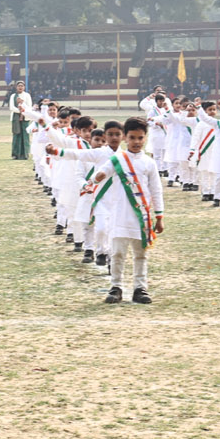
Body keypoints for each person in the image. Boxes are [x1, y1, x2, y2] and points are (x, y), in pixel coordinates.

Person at [86, 117, 165, 304]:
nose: (136, 142)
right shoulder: (117, 160)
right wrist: (97, 178)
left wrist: (159, 216)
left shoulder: (149, 162)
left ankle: (140, 288)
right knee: (117, 253)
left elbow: (156, 189)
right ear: (125, 138)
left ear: (145, 138)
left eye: (140, 138)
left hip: (141, 216)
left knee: (141, 254)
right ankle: (116, 287)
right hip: (120, 215)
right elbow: (104, 171)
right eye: (132, 138)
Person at [7, 81, 32, 160]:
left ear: (24, 87)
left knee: (25, 135)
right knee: (16, 135)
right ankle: (15, 154)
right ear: (16, 87)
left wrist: (23, 111)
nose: (20, 87)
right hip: (15, 118)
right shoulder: (13, 96)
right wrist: (20, 111)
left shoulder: (27, 95)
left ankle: (25, 154)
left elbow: (29, 106)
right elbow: (11, 107)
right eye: (19, 86)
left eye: (22, 86)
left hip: (25, 117)